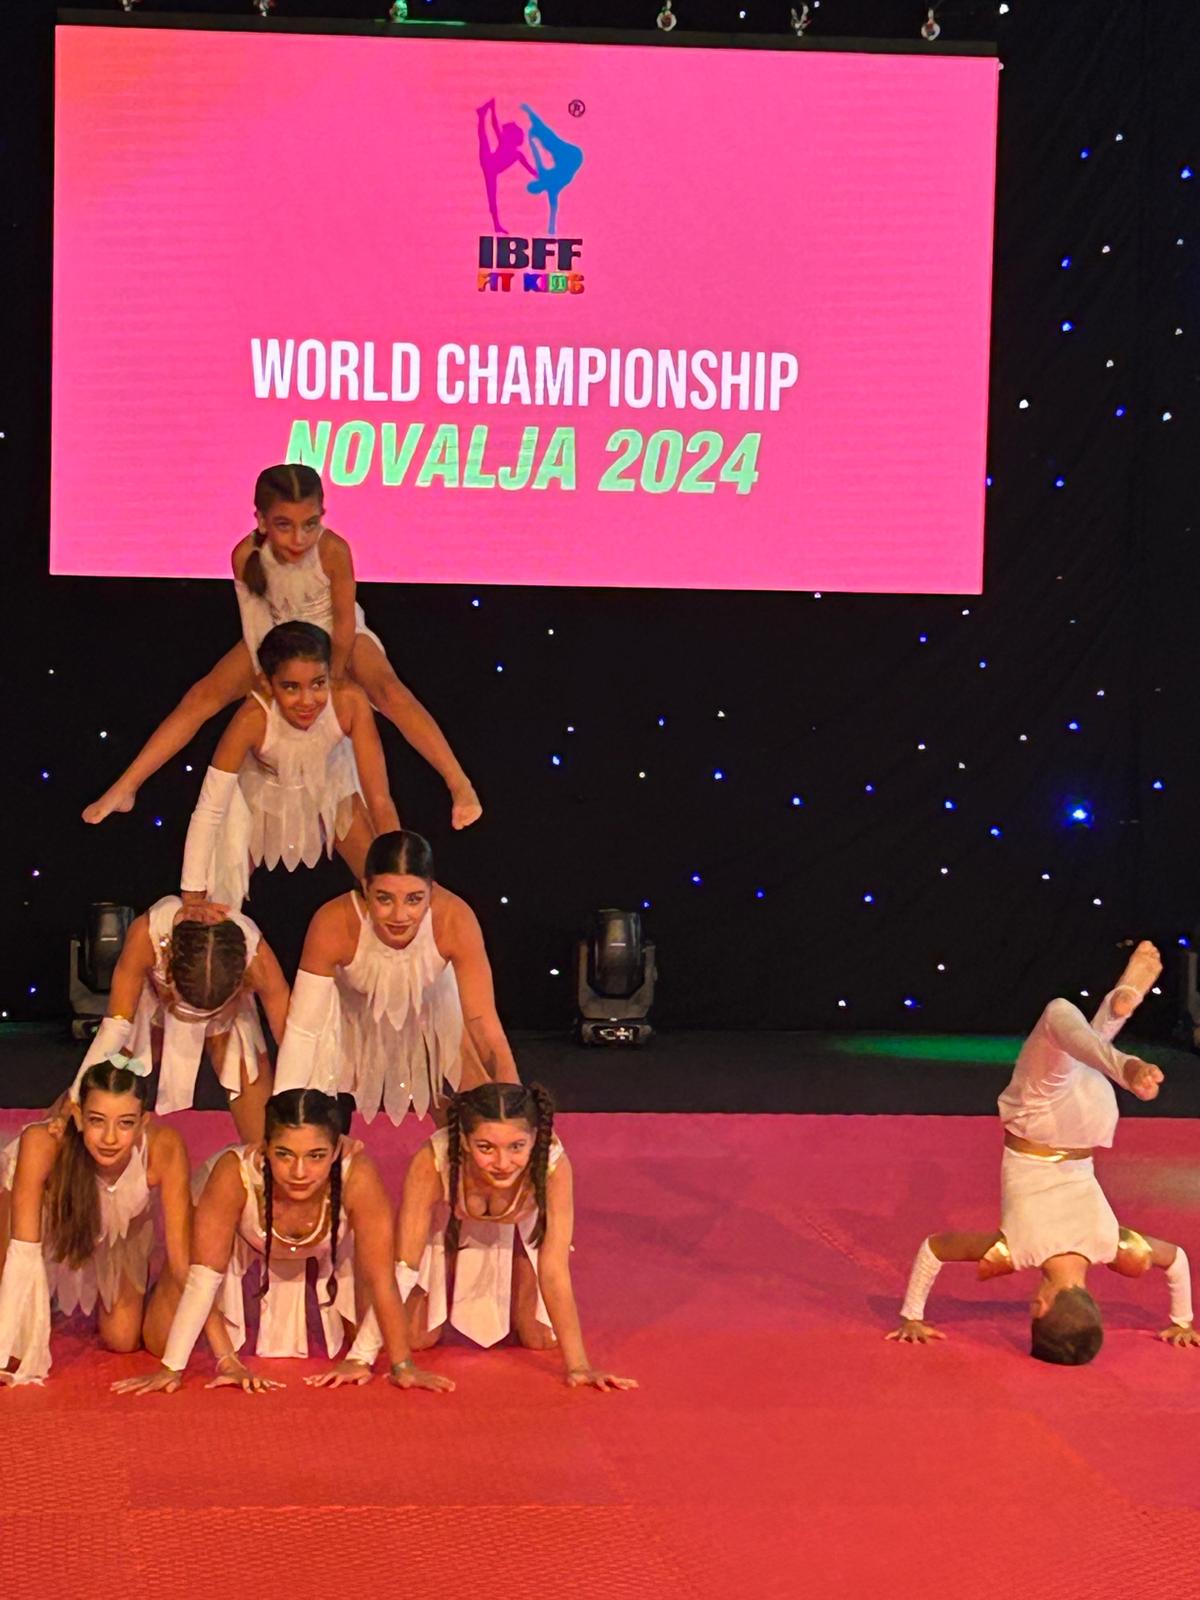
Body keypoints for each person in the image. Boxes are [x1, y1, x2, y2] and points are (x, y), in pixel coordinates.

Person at [83, 463, 481, 831]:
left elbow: (344, 621)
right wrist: (267, 679)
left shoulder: (333, 550)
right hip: (276, 638)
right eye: (284, 526)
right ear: (260, 519)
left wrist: (333, 677)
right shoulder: (245, 555)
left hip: (335, 636)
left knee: (390, 691)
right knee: (203, 695)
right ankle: (127, 786)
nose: (299, 538)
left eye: (310, 524)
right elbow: (255, 626)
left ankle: (458, 783)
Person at [889, 941, 1199, 1362]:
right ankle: (1122, 1061)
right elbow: (934, 1248)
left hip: (1091, 1123)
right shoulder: (1015, 1248)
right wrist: (911, 1315)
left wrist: (1183, 1320)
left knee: (1071, 1055)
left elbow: (1177, 1259)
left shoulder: (1114, 1244)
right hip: (1037, 1121)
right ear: (1039, 1306)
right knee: (1057, 1015)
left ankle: (1117, 1009)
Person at [111, 1088, 454, 1397]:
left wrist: (395, 1364)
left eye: (316, 1156)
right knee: (161, 1340)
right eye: (285, 1154)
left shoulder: (358, 1177)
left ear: (337, 1151)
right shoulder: (233, 1175)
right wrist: (198, 1364)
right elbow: (204, 1278)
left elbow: (381, 1278)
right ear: (264, 1149)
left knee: (399, 1338)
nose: (299, 1172)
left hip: (330, 1239)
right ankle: (159, 1285)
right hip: (229, 1232)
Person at [311, 1082, 637, 1392]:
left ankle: (516, 1282)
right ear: (465, 1142)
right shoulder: (432, 1160)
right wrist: (361, 1356)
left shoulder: (552, 1165)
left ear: (535, 1139)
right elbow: (404, 1266)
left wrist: (579, 1366)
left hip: (524, 1233)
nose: (502, 1163)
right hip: (444, 1228)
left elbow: (554, 1270)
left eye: (517, 1146)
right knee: (414, 1339)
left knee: (539, 1338)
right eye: (486, 1147)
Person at [274, 830, 520, 1125]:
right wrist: (284, 1120)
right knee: (315, 1121)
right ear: (366, 888)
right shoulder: (332, 922)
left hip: (432, 1008)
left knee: (480, 1108)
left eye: (414, 899)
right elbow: (303, 1030)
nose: (400, 915)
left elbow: (483, 1022)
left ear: (432, 891)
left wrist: (515, 1106)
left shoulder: (455, 918)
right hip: (348, 1014)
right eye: (384, 898)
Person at [0, 1058, 192, 1385]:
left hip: (118, 1229)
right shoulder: (42, 1144)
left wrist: (224, 1357)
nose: (109, 1138)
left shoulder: (163, 1147)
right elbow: (23, 1254)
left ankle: (147, 1285)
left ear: (143, 1122)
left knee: (123, 1340)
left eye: (125, 1123)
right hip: (42, 1223)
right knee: (14, 1350)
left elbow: (182, 1260)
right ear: (77, 1116)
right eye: (97, 1121)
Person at [179, 621, 398, 908]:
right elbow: (210, 808)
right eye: (291, 687)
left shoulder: (350, 702)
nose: (307, 701)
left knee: (388, 884)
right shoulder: (252, 719)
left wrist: (402, 872)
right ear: (267, 685)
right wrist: (192, 895)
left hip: (330, 785)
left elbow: (379, 798)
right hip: (261, 794)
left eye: (318, 684)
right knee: (218, 896)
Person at [70, 895, 287, 1142]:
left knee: (255, 1100)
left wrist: (301, 1104)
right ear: (170, 966)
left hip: (229, 1015)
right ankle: (67, 1124)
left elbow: (291, 1041)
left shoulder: (258, 960)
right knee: (108, 1077)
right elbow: (115, 1025)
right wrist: (77, 1093)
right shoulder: (147, 936)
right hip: (156, 1003)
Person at [476, 99, 537, 234]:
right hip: (488, 161)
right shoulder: (504, 143)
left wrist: (541, 176)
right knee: (483, 137)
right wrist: (493, 110)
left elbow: (530, 168)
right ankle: (481, 116)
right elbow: (494, 126)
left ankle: (497, 225)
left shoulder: (517, 155)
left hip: (491, 171)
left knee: (492, 198)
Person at [521, 104, 583, 236]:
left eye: (535, 183)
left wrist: (531, 141)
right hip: (574, 158)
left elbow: (537, 156)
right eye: (537, 186)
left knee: (550, 142)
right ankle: (532, 116)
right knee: (551, 143)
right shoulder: (552, 189)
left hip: (568, 155)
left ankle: (531, 113)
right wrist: (551, 227)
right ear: (539, 190)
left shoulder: (543, 176)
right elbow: (553, 208)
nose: (538, 183)